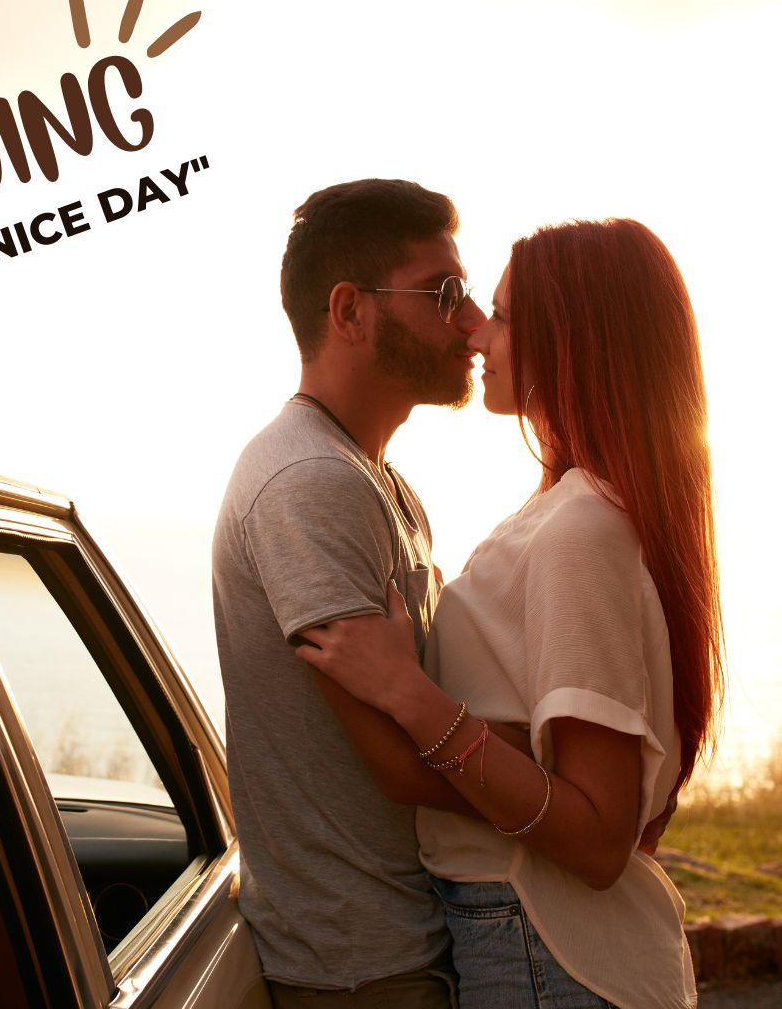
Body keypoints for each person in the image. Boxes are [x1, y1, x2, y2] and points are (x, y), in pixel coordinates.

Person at [296, 218, 724, 1008]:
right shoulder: (570, 513)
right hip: (536, 941)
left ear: (569, 340)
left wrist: (407, 695)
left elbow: (599, 840)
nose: (475, 333)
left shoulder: (579, 532)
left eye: (499, 313)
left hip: (548, 951)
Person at [213, 177, 500, 1007]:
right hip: (364, 969)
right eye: (442, 292)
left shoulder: (374, 480)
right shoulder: (310, 482)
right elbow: (400, 763)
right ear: (349, 312)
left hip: (399, 944)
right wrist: (574, 796)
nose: (470, 319)